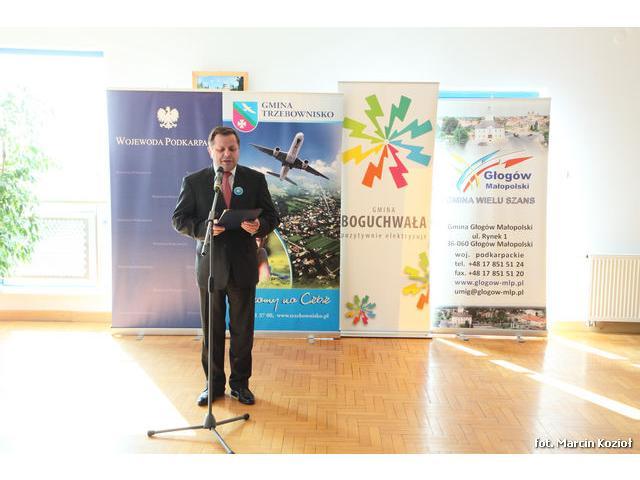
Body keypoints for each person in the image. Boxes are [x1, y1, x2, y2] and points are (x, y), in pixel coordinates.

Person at [172, 126, 279, 406]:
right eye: (220, 149)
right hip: (210, 267)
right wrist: (203, 229)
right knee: (212, 331)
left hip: (243, 266)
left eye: (232, 149)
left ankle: (240, 385)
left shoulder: (255, 180)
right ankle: (213, 386)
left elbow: (272, 216)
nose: (226, 154)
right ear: (210, 150)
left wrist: (259, 225)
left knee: (243, 332)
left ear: (238, 149)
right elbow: (179, 219)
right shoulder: (194, 182)